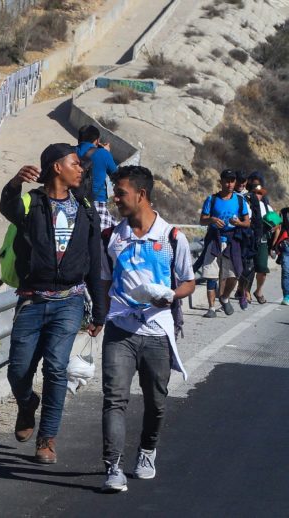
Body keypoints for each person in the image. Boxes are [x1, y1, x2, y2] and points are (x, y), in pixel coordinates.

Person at [0, 143, 106, 464]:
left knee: (57, 368)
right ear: (57, 167)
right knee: (18, 370)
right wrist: (16, 182)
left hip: (69, 302)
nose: (81, 169)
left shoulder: (86, 209)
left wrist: (99, 309)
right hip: (32, 301)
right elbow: (8, 207)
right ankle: (27, 402)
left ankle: (47, 438)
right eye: (75, 163)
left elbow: (95, 262)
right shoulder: (32, 203)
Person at [98, 166, 195, 493]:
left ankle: (147, 452)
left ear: (141, 195)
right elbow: (104, 280)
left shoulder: (171, 237)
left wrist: (171, 294)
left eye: (120, 192)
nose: (115, 198)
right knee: (115, 399)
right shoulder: (112, 238)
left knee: (156, 402)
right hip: (119, 331)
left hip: (157, 333)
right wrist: (96, 315)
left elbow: (189, 282)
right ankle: (113, 467)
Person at [196, 169, 250, 317]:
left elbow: (247, 222)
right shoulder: (211, 199)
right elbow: (202, 220)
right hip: (214, 239)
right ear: (221, 182)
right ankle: (211, 308)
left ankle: (225, 297)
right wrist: (212, 220)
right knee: (211, 275)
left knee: (234, 275)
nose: (230, 184)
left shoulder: (240, 200)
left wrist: (238, 222)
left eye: (232, 181)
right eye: (227, 180)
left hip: (232, 241)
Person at [235, 172, 275, 306]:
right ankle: (245, 291)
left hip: (262, 239)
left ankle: (258, 291)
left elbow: (275, 222)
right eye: (255, 192)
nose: (258, 195)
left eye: (260, 193)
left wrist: (273, 227)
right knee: (248, 266)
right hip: (247, 237)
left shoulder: (266, 206)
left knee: (262, 268)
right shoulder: (245, 204)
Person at [76, 124, 119, 228]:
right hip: (97, 203)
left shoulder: (70, 152)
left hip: (74, 201)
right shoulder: (103, 153)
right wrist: (106, 152)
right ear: (97, 140)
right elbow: (117, 175)